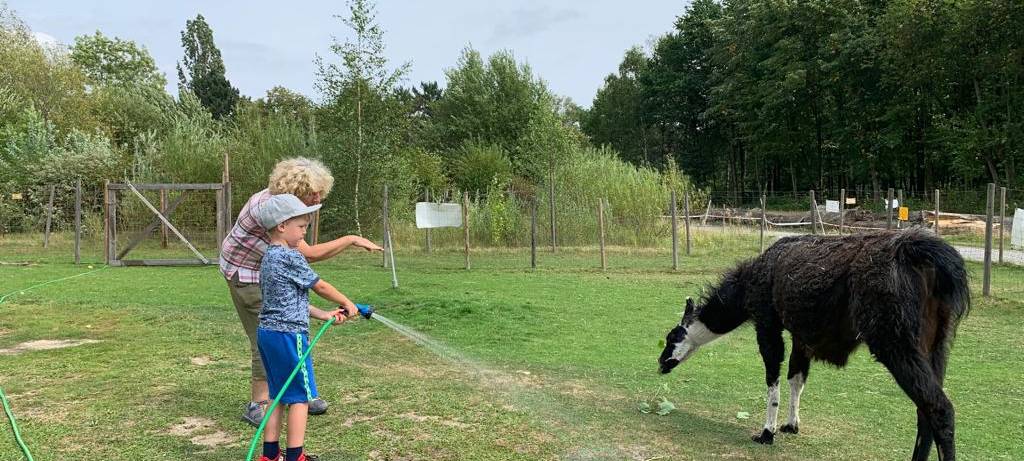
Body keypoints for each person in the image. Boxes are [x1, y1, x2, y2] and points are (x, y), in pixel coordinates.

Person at [221, 157, 382, 426]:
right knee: (269, 334)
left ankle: (298, 393)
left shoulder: (284, 211)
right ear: (294, 191)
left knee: (290, 330)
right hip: (246, 275)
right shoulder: (271, 212)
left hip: (265, 270)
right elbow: (308, 258)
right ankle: (259, 403)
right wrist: (351, 239)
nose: (318, 198)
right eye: (312, 193)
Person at [254, 194, 357, 461]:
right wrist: (347, 302)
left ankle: (270, 455)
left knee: (276, 396)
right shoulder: (290, 257)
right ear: (281, 226)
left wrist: (323, 314)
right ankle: (295, 456)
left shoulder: (268, 258)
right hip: (290, 336)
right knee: (300, 398)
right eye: (301, 227)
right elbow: (319, 286)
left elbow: (288, 300)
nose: (304, 233)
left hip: (268, 334)